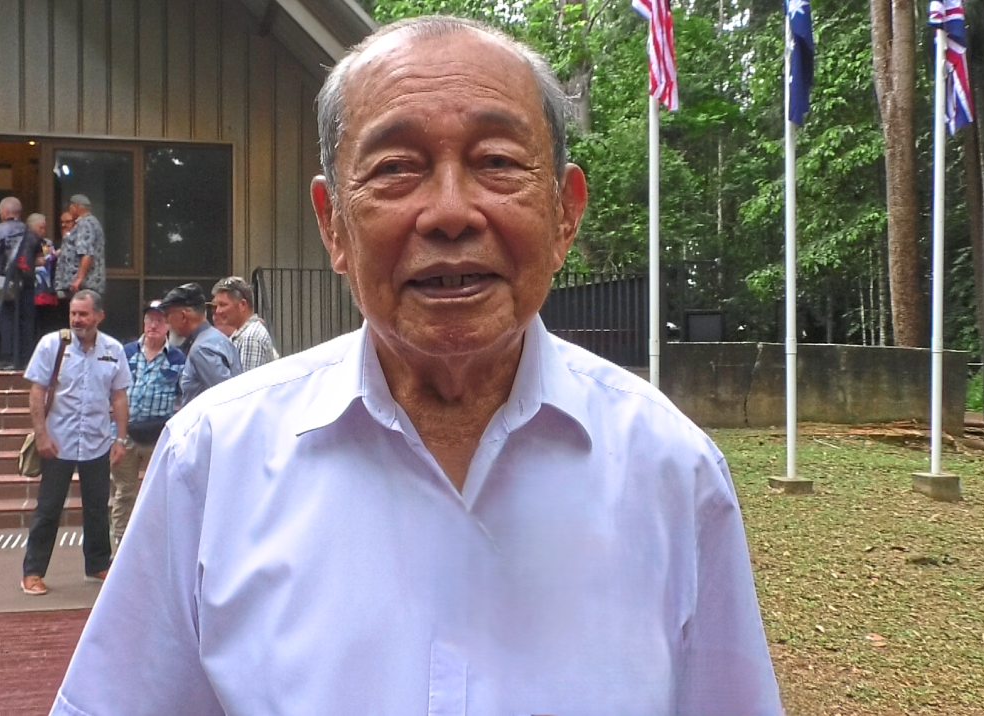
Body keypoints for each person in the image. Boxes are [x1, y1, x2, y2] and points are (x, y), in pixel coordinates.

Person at [52, 16, 781, 716]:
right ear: (333, 224)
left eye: (497, 162)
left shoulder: (671, 472)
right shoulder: (210, 465)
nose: (451, 212)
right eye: (397, 169)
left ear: (565, 213)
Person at [21, 289, 131, 597]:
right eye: (73, 313)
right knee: (48, 509)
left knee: (97, 507)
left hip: (97, 441)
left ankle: (97, 564)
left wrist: (120, 438)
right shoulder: (52, 345)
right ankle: (32, 572)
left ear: (99, 315)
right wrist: (41, 434)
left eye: (83, 314)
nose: (77, 320)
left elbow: (119, 396)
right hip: (58, 441)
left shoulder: (113, 349)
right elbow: (36, 391)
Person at [109, 299, 184, 549]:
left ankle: (156, 547)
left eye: (160, 320)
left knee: (161, 493)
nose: (154, 325)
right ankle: (120, 545)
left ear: (167, 326)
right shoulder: (125, 352)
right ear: (144, 322)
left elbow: (183, 394)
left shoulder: (178, 358)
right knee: (124, 493)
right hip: (126, 434)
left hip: (158, 436)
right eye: (150, 319)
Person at [157, 282, 240, 406]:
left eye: (168, 315)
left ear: (183, 316)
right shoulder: (216, 337)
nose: (166, 321)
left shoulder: (201, 348)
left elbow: (227, 398)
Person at [0, 197, 37, 369]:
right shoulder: (31, 231)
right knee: (26, 318)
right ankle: (25, 357)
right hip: (26, 279)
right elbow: (40, 258)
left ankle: (7, 357)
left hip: (3, 279)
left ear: (4, 212)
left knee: (5, 317)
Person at [210, 275, 278, 370]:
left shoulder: (251, 337)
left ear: (242, 305)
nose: (218, 311)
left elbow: (248, 383)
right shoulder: (244, 334)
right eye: (217, 306)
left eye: (223, 305)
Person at [54, 194, 105, 299]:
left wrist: (79, 278)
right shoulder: (91, 222)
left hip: (84, 285)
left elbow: (86, 253)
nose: (70, 210)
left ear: (76, 207)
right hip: (84, 285)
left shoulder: (85, 223)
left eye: (70, 207)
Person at [27, 212, 61, 339]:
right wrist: (52, 256)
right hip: (32, 286)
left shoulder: (46, 243)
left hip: (47, 286)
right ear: (30, 227)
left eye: (44, 227)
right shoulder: (26, 242)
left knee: (47, 322)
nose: (43, 231)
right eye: (40, 228)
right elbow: (36, 261)